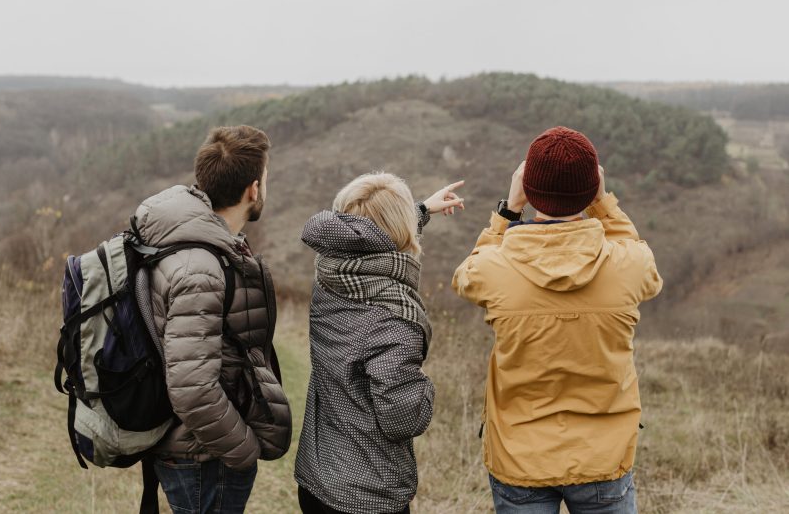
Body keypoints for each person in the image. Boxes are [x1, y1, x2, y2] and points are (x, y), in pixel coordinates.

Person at [453, 126, 662, 514]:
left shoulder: (495, 268)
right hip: (603, 456)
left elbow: (467, 275)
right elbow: (638, 255)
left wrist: (507, 213)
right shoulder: (630, 265)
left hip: (519, 456)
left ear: (528, 188)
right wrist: (604, 205)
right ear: (592, 187)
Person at [131, 125, 291, 514]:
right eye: (266, 178)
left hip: (199, 449)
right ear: (253, 189)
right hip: (203, 457)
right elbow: (192, 388)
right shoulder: (199, 268)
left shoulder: (203, 243)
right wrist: (243, 450)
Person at [294, 172, 465, 514]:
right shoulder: (392, 317)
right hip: (367, 493)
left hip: (317, 476)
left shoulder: (331, 278)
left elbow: (367, 240)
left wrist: (420, 210)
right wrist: (427, 389)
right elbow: (403, 419)